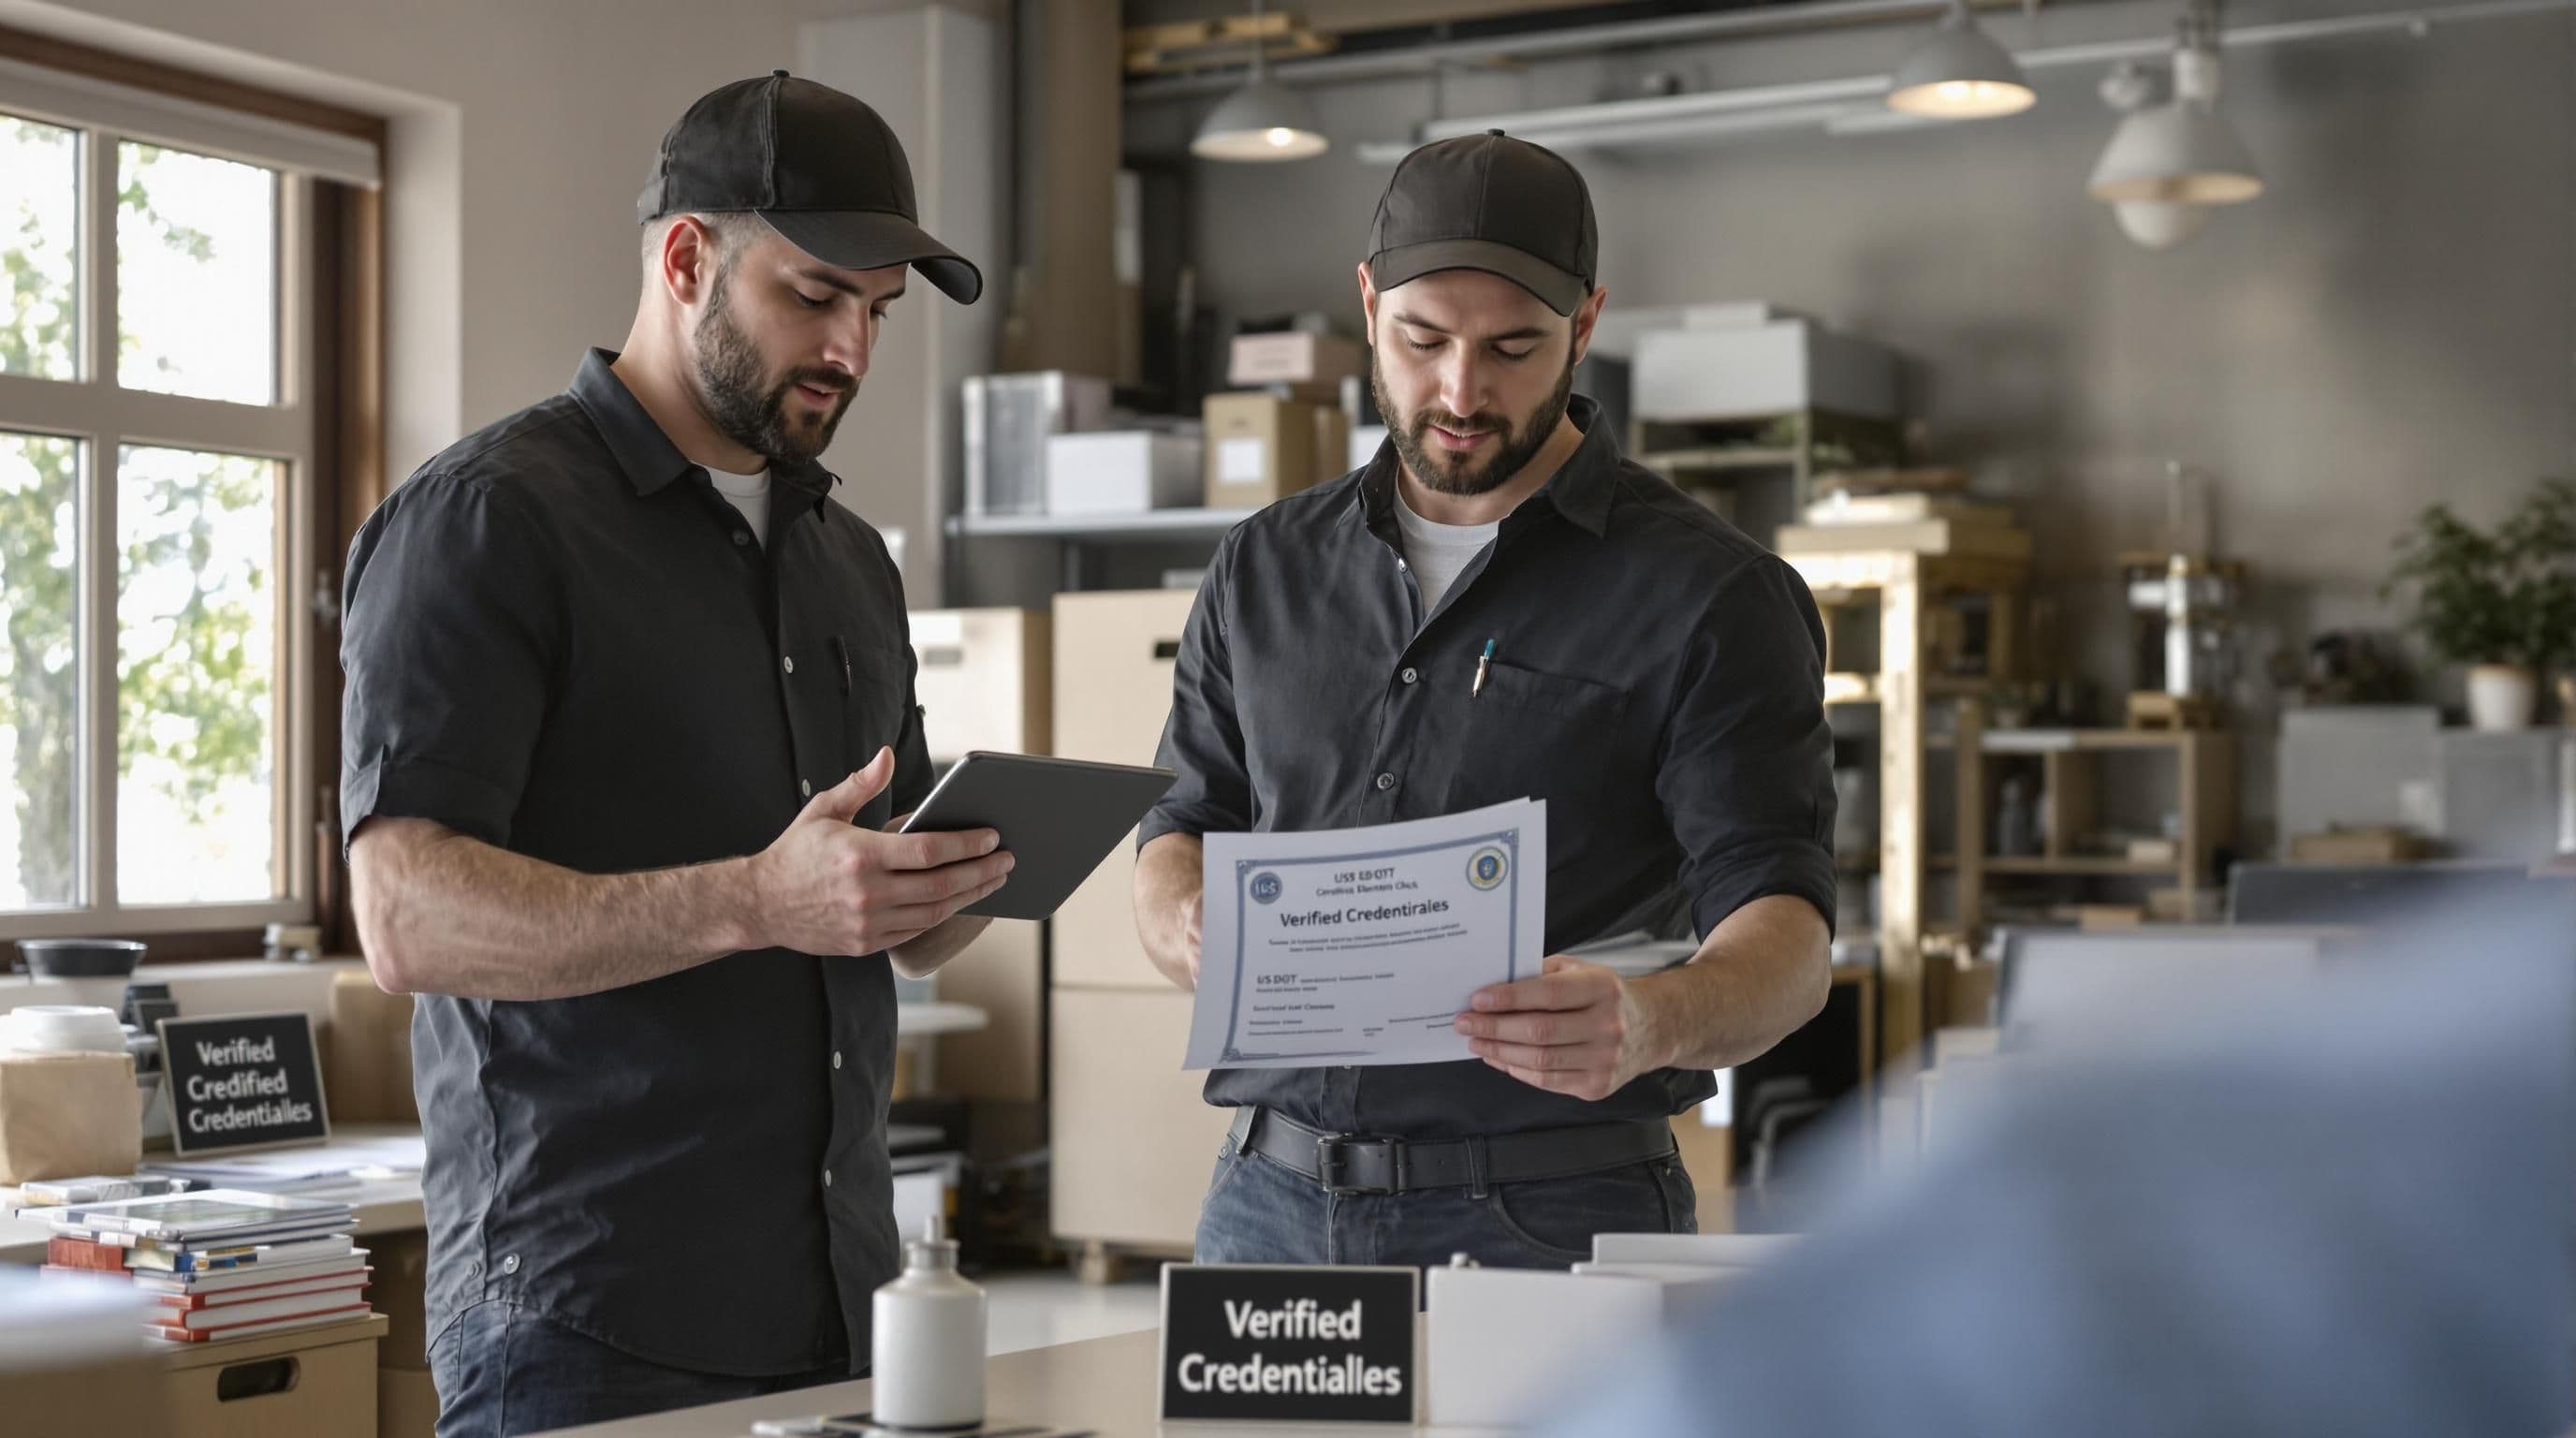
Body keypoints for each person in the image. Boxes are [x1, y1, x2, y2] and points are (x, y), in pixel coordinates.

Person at [338, 72, 1011, 1437]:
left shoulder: (848, 561)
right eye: (815, 296)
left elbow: (866, 896)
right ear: (686, 258)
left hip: (836, 1296)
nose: (852, 351)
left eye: (875, 314)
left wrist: (939, 892)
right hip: (585, 1314)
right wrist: (760, 900)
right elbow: (403, 914)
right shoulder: (487, 525)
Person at [1133, 129, 1839, 1269]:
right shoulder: (1261, 568)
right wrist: (1185, 924)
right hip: (1265, 1206)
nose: (1461, 390)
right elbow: (1182, 829)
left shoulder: (1713, 597)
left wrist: (1653, 1017)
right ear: (1367, 305)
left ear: (1586, 323)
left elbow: (1787, 937)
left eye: (1513, 347)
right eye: (1423, 340)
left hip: (1547, 1215)